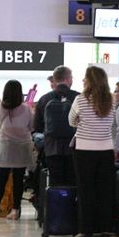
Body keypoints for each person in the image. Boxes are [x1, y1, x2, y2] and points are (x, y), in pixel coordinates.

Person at [68, 66, 117, 237]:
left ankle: (85, 229)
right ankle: (105, 228)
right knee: (105, 190)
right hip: (106, 149)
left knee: (85, 190)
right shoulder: (111, 100)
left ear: (89, 81)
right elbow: (112, 124)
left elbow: (71, 121)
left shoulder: (80, 99)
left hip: (84, 149)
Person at [0, 80, 33, 221]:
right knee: (18, 180)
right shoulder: (26, 109)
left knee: (0, 180)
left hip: (4, 145)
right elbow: (31, 127)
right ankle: (15, 210)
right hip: (22, 146)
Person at [33, 65, 79, 194]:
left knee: (55, 184)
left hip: (52, 149)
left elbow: (37, 127)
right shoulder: (78, 98)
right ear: (68, 79)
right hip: (74, 149)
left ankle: (56, 212)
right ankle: (71, 212)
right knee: (73, 183)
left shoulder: (44, 99)